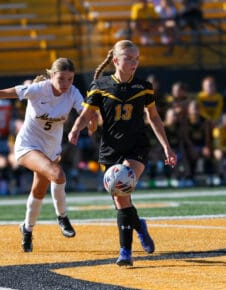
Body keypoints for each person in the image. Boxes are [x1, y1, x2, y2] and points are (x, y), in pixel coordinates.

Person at [68, 40, 177, 266]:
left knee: (121, 185)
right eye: (129, 58)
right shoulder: (100, 86)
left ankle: (125, 252)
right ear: (116, 61)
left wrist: (166, 145)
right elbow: (86, 115)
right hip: (110, 149)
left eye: (136, 59)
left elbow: (154, 117)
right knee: (121, 200)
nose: (134, 63)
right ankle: (140, 226)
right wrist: (75, 129)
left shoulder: (144, 86)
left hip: (137, 147)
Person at [0, 57, 96, 252]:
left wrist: (92, 119)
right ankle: (62, 217)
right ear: (51, 76)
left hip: (51, 149)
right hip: (27, 146)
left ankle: (27, 229)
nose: (65, 84)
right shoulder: (37, 89)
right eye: (61, 79)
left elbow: (88, 116)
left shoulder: (73, 93)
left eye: (70, 79)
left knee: (39, 191)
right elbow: (1, 93)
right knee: (58, 175)